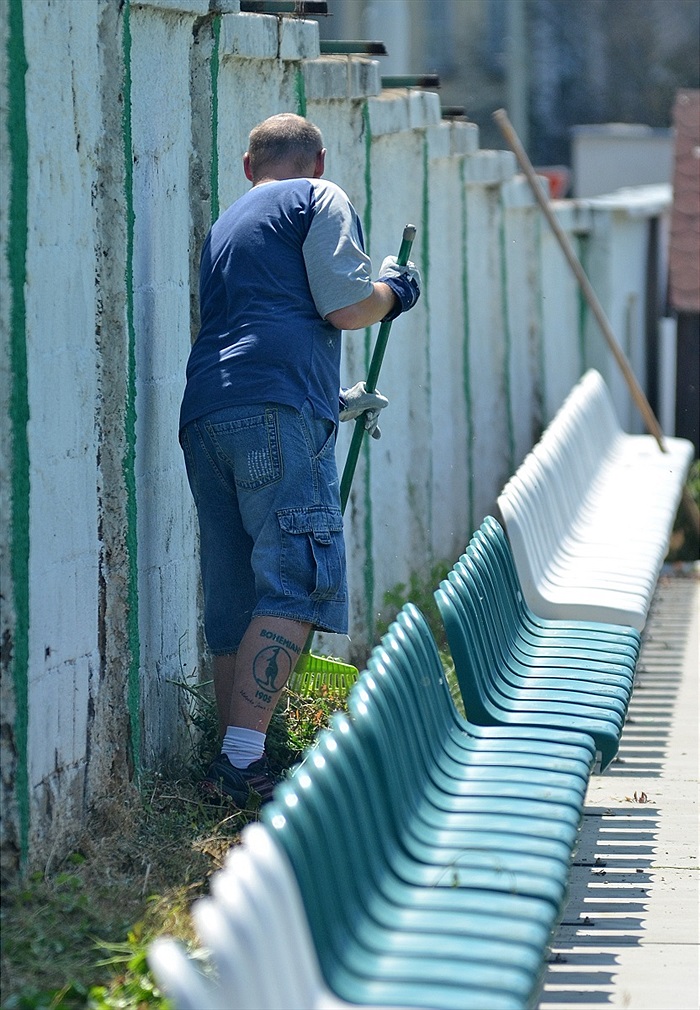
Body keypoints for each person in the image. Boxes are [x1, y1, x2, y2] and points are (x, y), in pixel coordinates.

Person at [179, 113, 421, 807]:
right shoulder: (321, 198)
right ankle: (243, 760)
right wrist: (396, 290)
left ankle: (229, 761)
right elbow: (346, 307)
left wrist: (332, 402)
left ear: (249, 168)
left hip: (207, 418)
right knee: (298, 585)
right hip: (276, 412)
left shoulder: (226, 227)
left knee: (236, 600)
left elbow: (261, 326)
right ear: (318, 160)